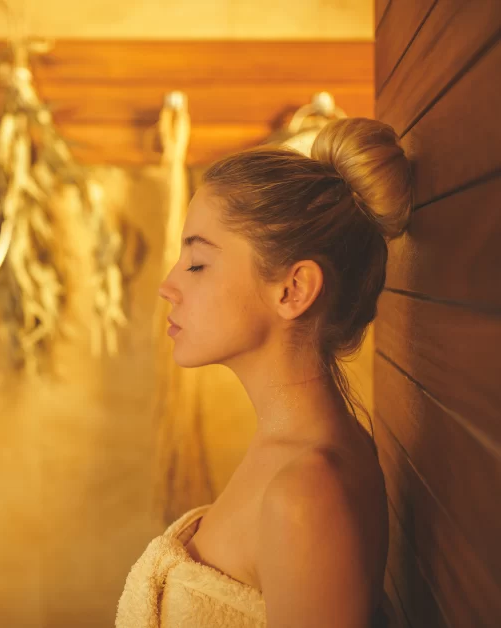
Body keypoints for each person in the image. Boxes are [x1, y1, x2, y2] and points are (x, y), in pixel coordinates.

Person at [116, 117, 413, 628]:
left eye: (197, 262)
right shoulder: (293, 454)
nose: (168, 285)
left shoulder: (306, 492)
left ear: (293, 290)